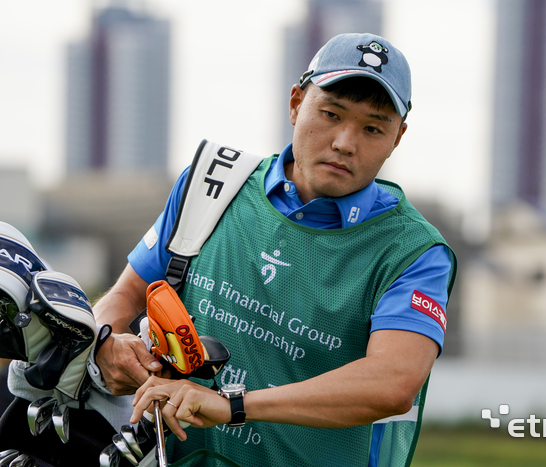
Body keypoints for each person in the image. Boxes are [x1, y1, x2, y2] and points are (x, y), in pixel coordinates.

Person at [94, 32, 457, 467]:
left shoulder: (413, 250)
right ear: (295, 103)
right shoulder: (214, 183)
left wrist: (232, 406)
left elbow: (393, 382)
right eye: (330, 113)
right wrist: (105, 343)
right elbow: (127, 294)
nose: (345, 142)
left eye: (373, 128)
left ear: (397, 138)